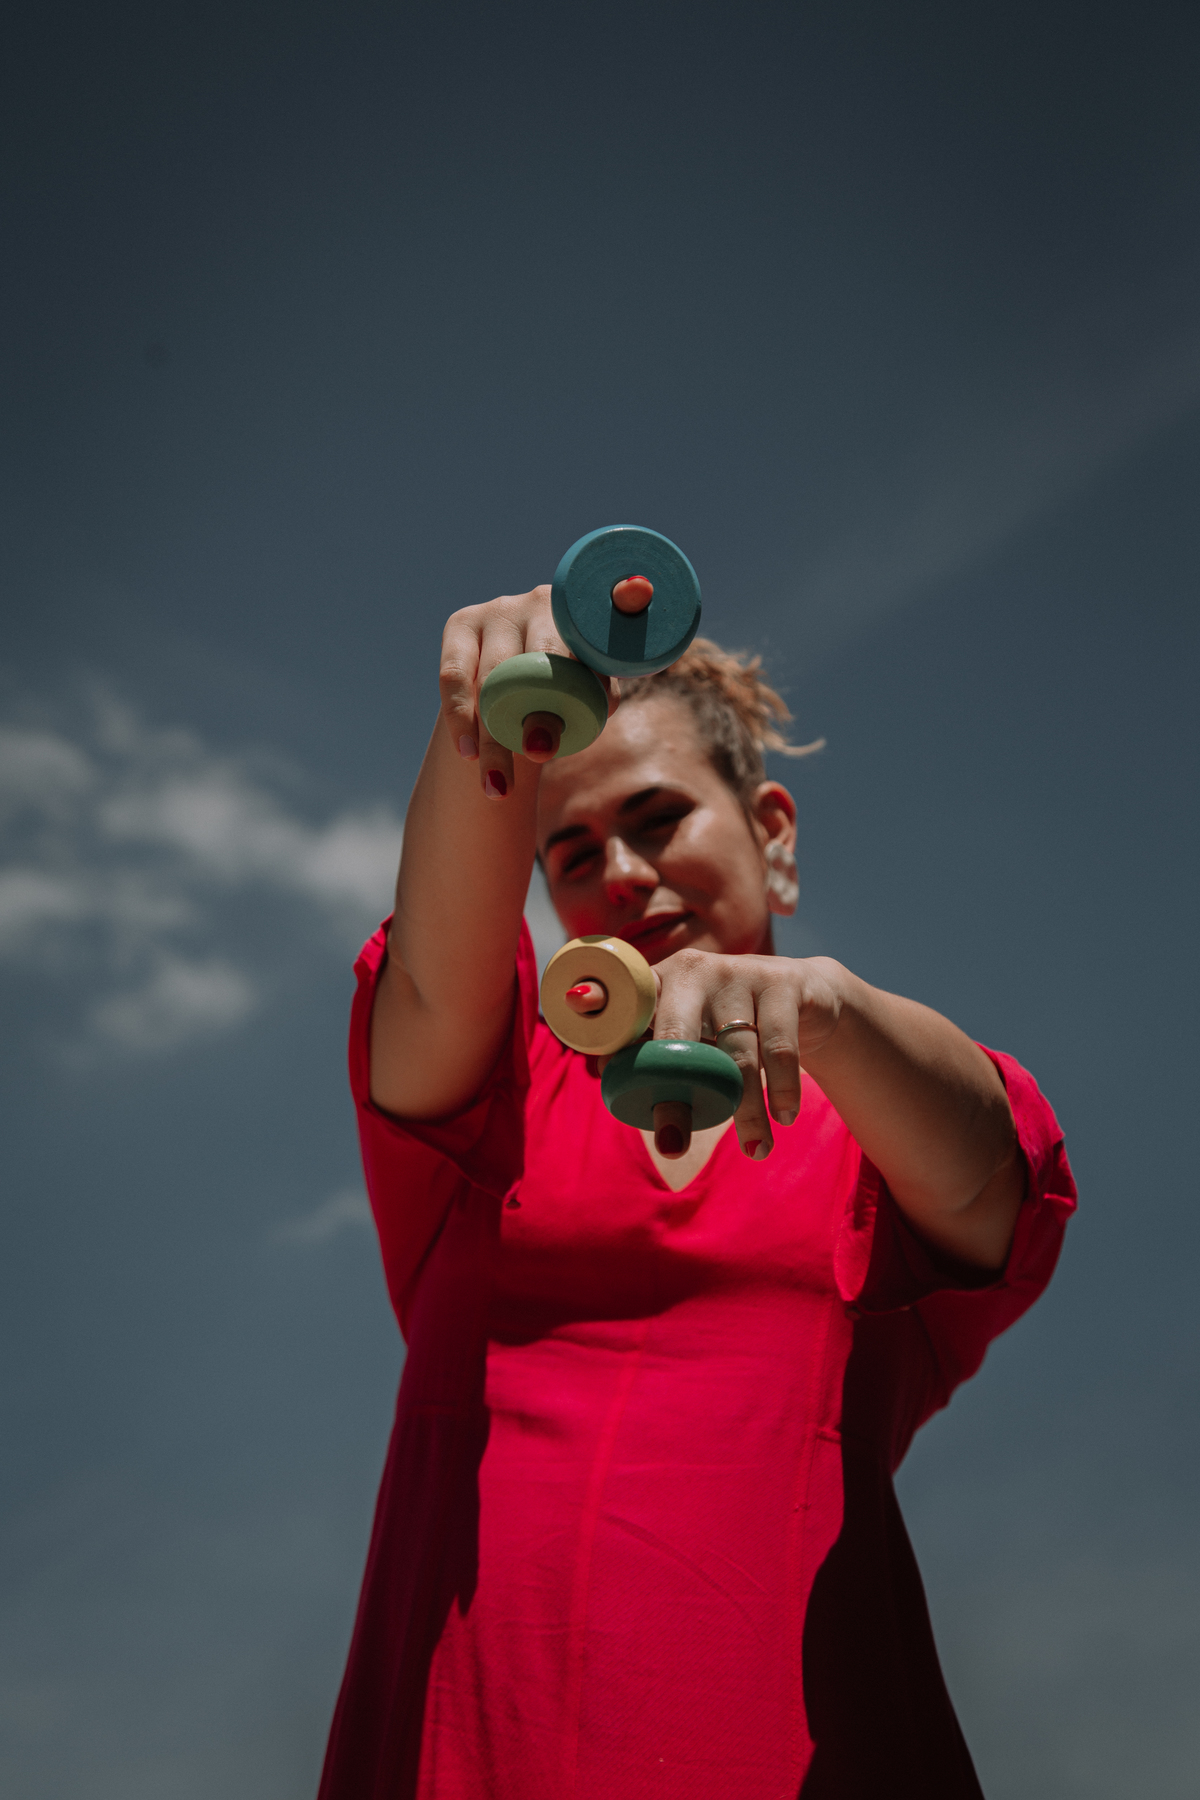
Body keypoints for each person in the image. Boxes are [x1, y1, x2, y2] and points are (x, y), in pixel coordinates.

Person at [317, 584, 1077, 1800]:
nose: (621, 873)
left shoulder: (872, 1129)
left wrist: (827, 1012)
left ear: (772, 833)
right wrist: (492, 715)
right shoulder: (500, 1095)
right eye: (572, 853)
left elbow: (997, 1170)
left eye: (659, 818)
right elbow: (429, 979)